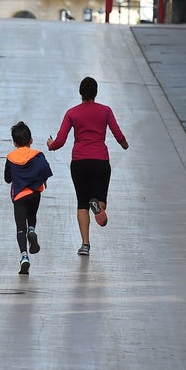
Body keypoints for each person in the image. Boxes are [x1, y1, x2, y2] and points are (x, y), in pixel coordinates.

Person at [45, 76, 129, 257]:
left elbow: (60, 141)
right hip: (100, 161)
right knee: (101, 198)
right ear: (96, 93)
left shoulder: (72, 113)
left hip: (80, 163)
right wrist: (125, 145)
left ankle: (85, 245)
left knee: (82, 203)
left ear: (80, 93)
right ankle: (98, 205)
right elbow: (118, 133)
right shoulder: (105, 111)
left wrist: (50, 144)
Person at [4, 121, 53, 274]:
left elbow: (7, 178)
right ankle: (32, 229)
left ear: (14, 142)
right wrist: (42, 180)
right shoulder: (38, 155)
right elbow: (45, 169)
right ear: (31, 140)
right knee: (32, 216)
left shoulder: (11, 157)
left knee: (20, 227)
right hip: (35, 194)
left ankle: (24, 256)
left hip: (19, 195)